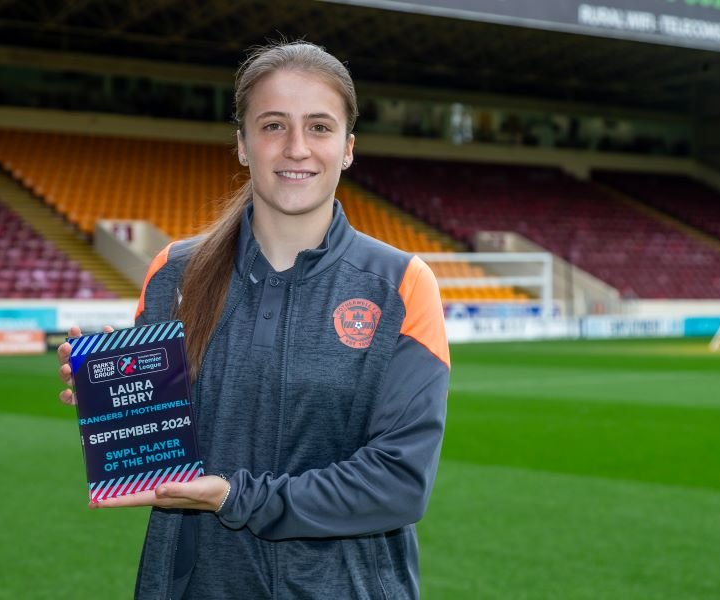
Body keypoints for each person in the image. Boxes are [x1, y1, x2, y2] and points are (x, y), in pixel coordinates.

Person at [58, 40, 450, 599]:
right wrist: (110, 396)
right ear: (242, 144)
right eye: (272, 126)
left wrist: (236, 498)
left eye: (319, 127)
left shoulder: (402, 285)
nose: (296, 148)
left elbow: (400, 484)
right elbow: (155, 450)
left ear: (347, 148)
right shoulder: (174, 272)